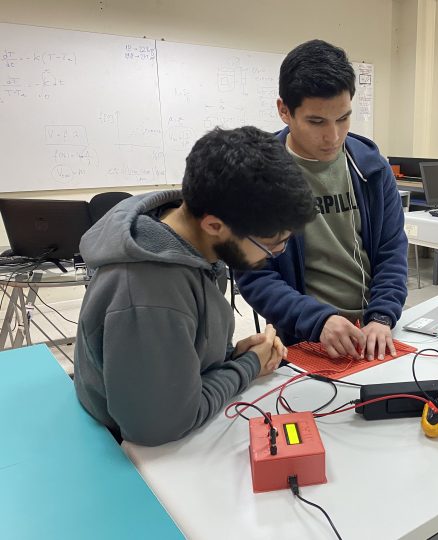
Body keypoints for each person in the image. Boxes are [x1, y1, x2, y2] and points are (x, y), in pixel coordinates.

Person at [73, 126, 316, 446]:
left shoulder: (191, 246)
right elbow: (158, 428)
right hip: (132, 454)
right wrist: (250, 365)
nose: (278, 252)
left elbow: (179, 351)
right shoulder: (149, 294)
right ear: (214, 225)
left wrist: (228, 356)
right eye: (273, 243)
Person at [236, 40, 408, 362]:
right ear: (284, 110)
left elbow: (392, 250)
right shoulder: (259, 178)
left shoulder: (372, 167)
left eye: (343, 118)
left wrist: (382, 316)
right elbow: (254, 275)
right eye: (317, 122)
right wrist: (319, 320)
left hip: (376, 330)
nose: (334, 136)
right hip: (307, 337)